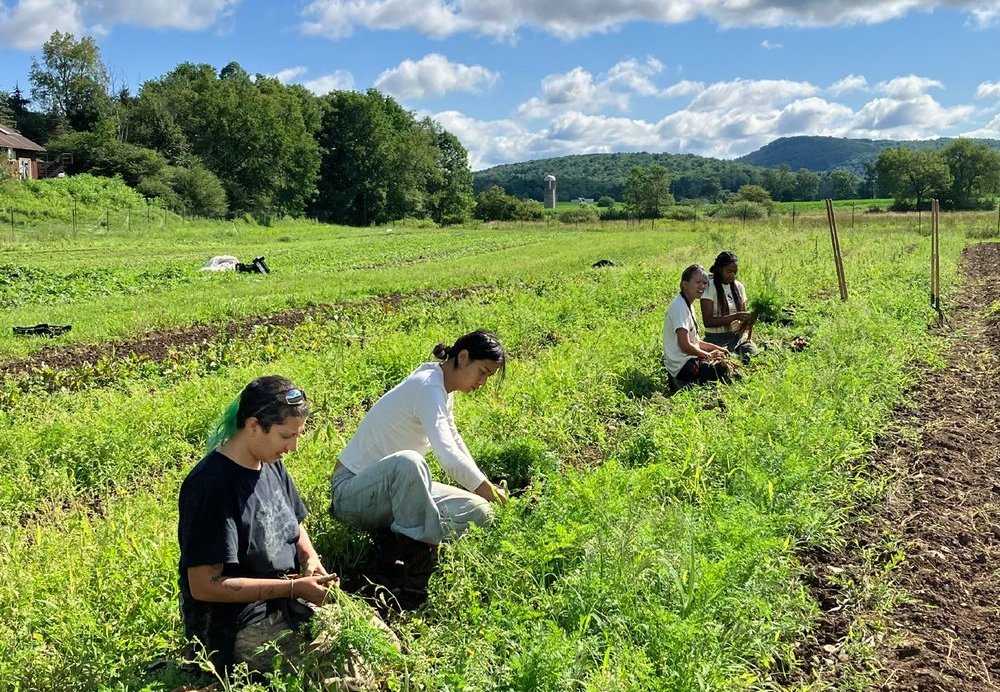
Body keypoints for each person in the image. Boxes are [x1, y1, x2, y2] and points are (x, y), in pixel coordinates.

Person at [177, 375, 390, 682]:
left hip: (288, 598)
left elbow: (293, 524)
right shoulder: (212, 486)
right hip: (238, 623)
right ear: (253, 426)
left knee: (378, 640)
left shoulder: (269, 461)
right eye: (286, 436)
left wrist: (310, 559)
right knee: (346, 672)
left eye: (298, 435)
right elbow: (204, 585)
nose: (293, 447)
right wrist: (293, 588)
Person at [330, 329, 508, 548]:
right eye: (482, 372)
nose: (482, 382)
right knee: (408, 462)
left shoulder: (443, 386)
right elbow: (449, 456)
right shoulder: (428, 386)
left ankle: (400, 532)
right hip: (351, 493)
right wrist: (489, 491)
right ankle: (410, 553)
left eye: (488, 376)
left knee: (480, 512)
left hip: (393, 490)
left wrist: (487, 489)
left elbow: (455, 440)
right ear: (463, 357)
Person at [663, 264, 733, 386]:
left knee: (722, 358)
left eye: (705, 283)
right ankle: (682, 382)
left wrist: (717, 348)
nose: (702, 286)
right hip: (681, 366)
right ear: (685, 284)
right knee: (720, 368)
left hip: (688, 359)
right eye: (697, 282)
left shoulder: (687, 304)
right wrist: (708, 355)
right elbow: (684, 345)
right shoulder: (679, 307)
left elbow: (696, 342)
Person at [700, 251, 759, 359]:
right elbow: (707, 322)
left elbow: (743, 317)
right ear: (719, 269)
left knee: (751, 354)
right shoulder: (709, 287)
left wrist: (749, 319)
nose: (732, 275)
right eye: (729, 271)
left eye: (735, 272)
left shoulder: (739, 287)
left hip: (738, 337)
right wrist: (735, 317)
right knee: (721, 360)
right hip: (716, 338)